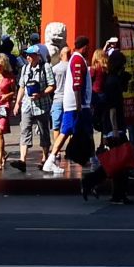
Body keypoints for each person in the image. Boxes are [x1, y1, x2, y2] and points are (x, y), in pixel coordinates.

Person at [43, 36, 90, 175]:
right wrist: (79, 104)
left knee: (85, 131)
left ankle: (91, 159)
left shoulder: (77, 60)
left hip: (77, 104)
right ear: (85, 47)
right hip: (75, 105)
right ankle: (50, 160)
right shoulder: (77, 60)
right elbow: (77, 84)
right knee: (65, 132)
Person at [15, 42, 53, 172]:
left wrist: (41, 94)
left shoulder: (45, 67)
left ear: (37, 56)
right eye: (27, 55)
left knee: (44, 132)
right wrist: (17, 103)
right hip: (27, 105)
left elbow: (52, 85)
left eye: (31, 55)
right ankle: (22, 160)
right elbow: (21, 87)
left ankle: (44, 158)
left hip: (42, 105)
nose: (28, 58)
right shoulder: (25, 69)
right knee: (25, 130)